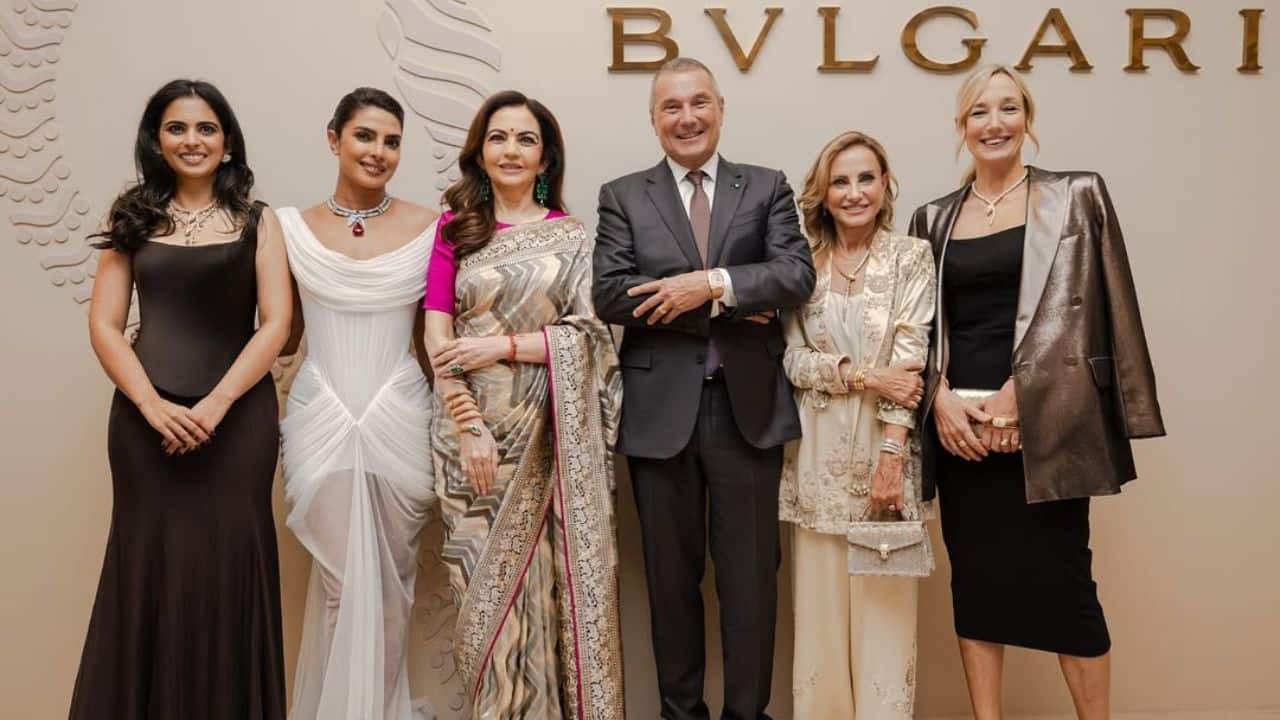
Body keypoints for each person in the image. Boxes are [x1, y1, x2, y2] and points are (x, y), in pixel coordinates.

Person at [908, 65, 1166, 720]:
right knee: (977, 587)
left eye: (1009, 108)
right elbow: (914, 330)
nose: (994, 123)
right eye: (979, 112)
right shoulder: (931, 219)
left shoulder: (1077, 195)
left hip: (1046, 426)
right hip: (962, 435)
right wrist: (938, 400)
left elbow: (1100, 309)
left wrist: (1021, 396)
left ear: (1028, 117)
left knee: (1065, 589)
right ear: (961, 125)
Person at [592, 57, 815, 720]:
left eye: (698, 103)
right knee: (669, 582)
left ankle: (747, 714)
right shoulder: (622, 196)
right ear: (654, 120)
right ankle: (680, 713)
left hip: (747, 413)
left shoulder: (767, 186)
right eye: (671, 106)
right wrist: (729, 301)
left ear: (720, 108)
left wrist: (714, 284)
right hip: (660, 416)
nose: (686, 117)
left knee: (752, 581)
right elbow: (611, 294)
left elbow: (795, 274)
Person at [71, 79, 291, 720]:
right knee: (147, 567)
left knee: (230, 571)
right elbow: (105, 325)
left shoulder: (260, 220)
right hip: (145, 424)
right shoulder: (130, 217)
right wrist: (151, 406)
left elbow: (275, 324)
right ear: (157, 140)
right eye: (177, 128)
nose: (192, 140)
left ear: (227, 142)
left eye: (206, 128)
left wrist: (216, 406)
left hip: (238, 421)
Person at [421, 90, 624, 719]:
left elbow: (589, 339)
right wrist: (469, 427)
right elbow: (437, 341)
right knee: (488, 608)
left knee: (555, 600)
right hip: (471, 444)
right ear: (480, 153)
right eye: (499, 137)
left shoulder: (571, 238)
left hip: (552, 439)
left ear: (545, 158)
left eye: (526, 139)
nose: (511, 150)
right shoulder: (454, 232)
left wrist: (500, 346)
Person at [276, 87, 438, 720]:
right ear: (333, 138)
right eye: (364, 136)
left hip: (402, 413)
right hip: (323, 414)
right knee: (344, 583)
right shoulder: (289, 228)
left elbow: (433, 337)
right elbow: (282, 334)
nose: (378, 151)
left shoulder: (432, 227)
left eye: (392, 141)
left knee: (394, 585)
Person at [779, 131, 934, 719]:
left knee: (884, 618)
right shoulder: (803, 265)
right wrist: (864, 375)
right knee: (819, 621)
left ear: (884, 184)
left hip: (884, 452)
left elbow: (910, 364)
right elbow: (792, 361)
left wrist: (891, 457)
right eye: (840, 181)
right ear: (823, 192)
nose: (854, 192)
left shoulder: (910, 257)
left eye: (866, 178)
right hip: (815, 461)